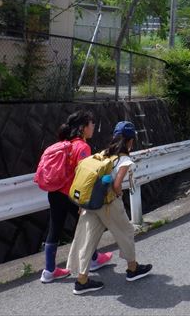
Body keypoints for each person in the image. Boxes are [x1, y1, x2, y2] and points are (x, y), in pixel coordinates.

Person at [66, 121, 152, 295]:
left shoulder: (103, 153)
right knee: (126, 231)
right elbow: (117, 185)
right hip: (108, 204)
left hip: (91, 203)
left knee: (86, 238)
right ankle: (132, 269)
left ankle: (81, 280)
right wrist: (118, 195)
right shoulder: (125, 159)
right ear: (130, 141)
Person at [40, 110, 113, 284]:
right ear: (83, 127)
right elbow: (85, 176)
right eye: (91, 123)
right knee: (88, 226)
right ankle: (93, 260)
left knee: (55, 228)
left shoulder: (64, 143)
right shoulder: (82, 147)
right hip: (72, 194)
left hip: (55, 192)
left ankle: (49, 271)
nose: (93, 126)